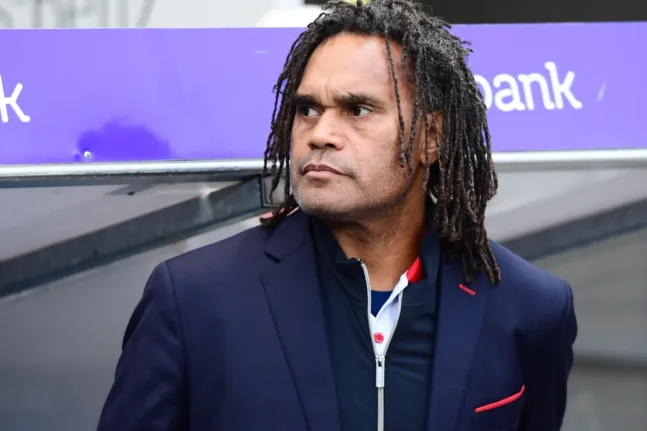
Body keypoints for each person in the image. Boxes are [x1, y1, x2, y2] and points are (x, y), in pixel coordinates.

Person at [97, 1, 577, 430]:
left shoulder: (528, 307)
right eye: (308, 109)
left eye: (357, 109)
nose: (320, 133)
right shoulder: (194, 299)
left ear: (430, 138)